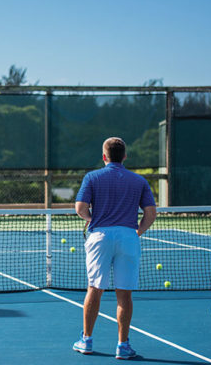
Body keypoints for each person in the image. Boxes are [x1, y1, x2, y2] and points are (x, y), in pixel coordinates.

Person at [72, 137, 157, 360]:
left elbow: (80, 208)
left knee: (94, 289)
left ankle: (86, 340)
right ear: (125, 156)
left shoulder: (92, 177)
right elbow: (151, 214)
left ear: (104, 156)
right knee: (124, 293)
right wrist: (137, 231)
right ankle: (123, 345)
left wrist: (91, 219)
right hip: (128, 237)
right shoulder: (139, 181)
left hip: (100, 236)